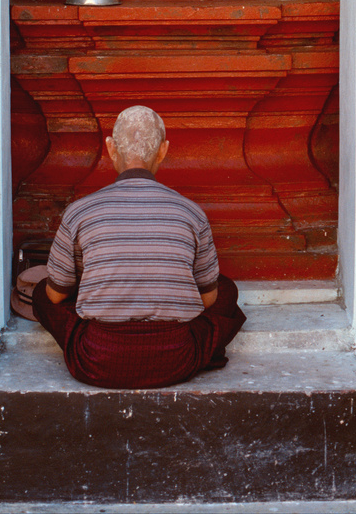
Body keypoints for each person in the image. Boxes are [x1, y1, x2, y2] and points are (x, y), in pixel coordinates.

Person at [32, 105, 246, 388]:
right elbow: (207, 302)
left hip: (97, 358)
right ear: (163, 151)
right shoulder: (191, 212)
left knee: (41, 293)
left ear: (110, 149)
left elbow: (56, 297)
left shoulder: (79, 212)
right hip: (175, 359)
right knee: (226, 289)